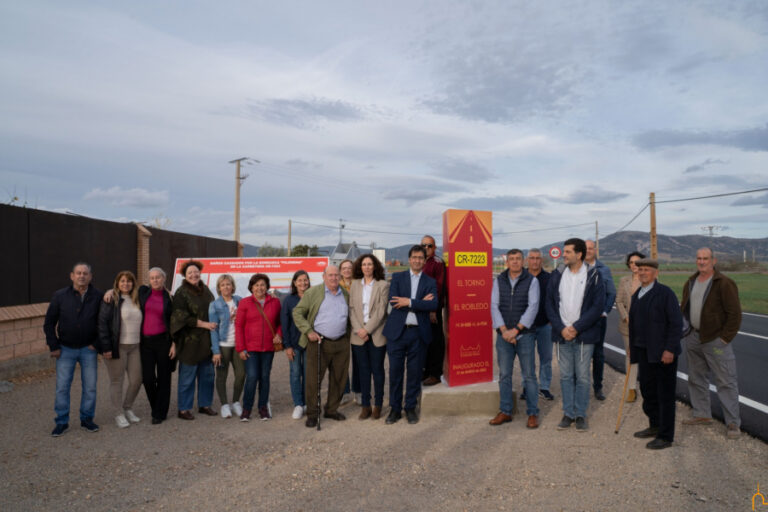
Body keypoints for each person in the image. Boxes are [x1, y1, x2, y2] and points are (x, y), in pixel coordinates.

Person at [680, 247, 743, 439]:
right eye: (698, 258)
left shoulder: (724, 283)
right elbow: (685, 307)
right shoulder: (691, 281)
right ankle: (701, 414)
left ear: (713, 260)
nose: (701, 262)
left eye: (705, 258)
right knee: (696, 378)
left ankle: (732, 423)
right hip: (694, 337)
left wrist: (725, 338)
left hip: (715, 339)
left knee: (725, 381)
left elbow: (735, 314)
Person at [545, 238, 605, 432]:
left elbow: (597, 307)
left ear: (579, 254)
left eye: (568, 252)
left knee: (583, 377)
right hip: (561, 334)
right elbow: (550, 305)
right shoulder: (557, 275)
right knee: (565, 376)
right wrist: (562, 328)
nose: (564, 255)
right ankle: (568, 413)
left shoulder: (594, 276)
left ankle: (580, 414)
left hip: (583, 335)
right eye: (564, 252)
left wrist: (576, 327)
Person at [629, 259, 683, 450]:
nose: (643, 272)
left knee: (665, 395)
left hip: (663, 353)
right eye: (640, 269)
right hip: (644, 351)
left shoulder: (665, 293)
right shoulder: (637, 294)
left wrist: (669, 349)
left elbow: (676, 324)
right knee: (648, 390)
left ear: (655, 273)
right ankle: (654, 425)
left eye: (647, 270)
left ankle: (666, 435)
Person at [44, 262, 102, 436]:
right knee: (62, 387)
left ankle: (87, 419)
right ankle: (62, 422)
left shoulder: (98, 296)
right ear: (72, 276)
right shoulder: (60, 296)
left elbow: (104, 323)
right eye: (78, 273)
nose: (82, 276)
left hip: (88, 349)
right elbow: (49, 323)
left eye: (85, 273)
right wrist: (53, 345)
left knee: (90, 387)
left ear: (90, 276)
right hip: (65, 349)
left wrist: (96, 344)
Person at [382, 245, 438, 425]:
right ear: (409, 259)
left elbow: (432, 305)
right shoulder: (398, 278)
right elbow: (394, 301)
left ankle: (410, 408)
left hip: (418, 334)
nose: (417, 260)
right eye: (414, 257)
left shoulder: (430, 282)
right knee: (395, 373)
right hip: (397, 333)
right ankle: (395, 409)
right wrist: (419, 303)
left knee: (414, 374)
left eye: (420, 258)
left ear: (424, 260)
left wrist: (409, 301)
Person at [292, 265, 351, 428]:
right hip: (318, 342)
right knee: (313, 379)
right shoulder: (313, 293)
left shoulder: (344, 294)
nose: (333, 278)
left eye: (336, 275)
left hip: (341, 342)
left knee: (339, 378)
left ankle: (331, 410)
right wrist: (308, 331)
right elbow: (297, 313)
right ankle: (312, 413)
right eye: (330, 275)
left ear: (340, 277)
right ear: (323, 276)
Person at [489, 249, 541, 429]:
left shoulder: (532, 281)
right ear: (507, 262)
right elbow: (494, 306)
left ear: (523, 261)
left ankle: (533, 413)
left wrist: (516, 330)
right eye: (512, 259)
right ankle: (505, 411)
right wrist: (504, 331)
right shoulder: (499, 281)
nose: (515, 262)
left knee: (529, 376)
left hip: (525, 335)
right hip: (504, 336)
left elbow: (533, 307)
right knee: (504, 375)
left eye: (518, 259)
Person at [171, 260, 217, 421]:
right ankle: (184, 408)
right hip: (189, 341)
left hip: (207, 340)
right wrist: (204, 324)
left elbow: (214, 308)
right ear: (185, 275)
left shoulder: (206, 290)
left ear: (200, 273)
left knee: (207, 375)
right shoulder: (181, 292)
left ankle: (205, 405)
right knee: (187, 377)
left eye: (196, 271)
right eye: (190, 272)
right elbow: (180, 316)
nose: (193, 274)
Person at [97, 271, 144, 429]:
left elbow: (155, 288)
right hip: (117, 347)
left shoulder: (137, 299)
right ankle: (118, 414)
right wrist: (106, 347)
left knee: (137, 380)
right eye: (122, 281)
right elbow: (102, 324)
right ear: (117, 283)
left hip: (135, 346)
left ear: (133, 283)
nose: (126, 284)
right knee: (117, 381)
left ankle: (127, 407)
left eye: (129, 281)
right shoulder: (111, 299)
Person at [236, 273, 282, 421]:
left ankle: (263, 408)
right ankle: (246, 409)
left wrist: (279, 334)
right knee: (252, 377)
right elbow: (239, 326)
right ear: (251, 287)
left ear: (267, 286)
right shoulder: (245, 303)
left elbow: (281, 322)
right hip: (251, 348)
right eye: (256, 285)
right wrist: (240, 348)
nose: (259, 288)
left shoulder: (275, 302)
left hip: (268, 347)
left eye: (262, 284)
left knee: (265, 378)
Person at [349, 254, 390, 420]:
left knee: (378, 371)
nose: (367, 267)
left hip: (376, 334)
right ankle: (365, 405)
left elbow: (381, 312)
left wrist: (367, 330)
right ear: (360, 267)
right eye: (364, 264)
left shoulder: (383, 285)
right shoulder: (354, 286)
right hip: (358, 335)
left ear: (375, 267)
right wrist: (360, 330)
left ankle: (378, 405)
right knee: (363, 372)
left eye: (370, 264)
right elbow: (351, 310)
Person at [138, 267, 175, 425]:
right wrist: (110, 291)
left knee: (164, 378)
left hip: (164, 342)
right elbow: (123, 287)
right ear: (149, 279)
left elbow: (175, 323)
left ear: (164, 278)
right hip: (145, 342)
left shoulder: (170, 298)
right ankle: (156, 406)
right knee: (147, 378)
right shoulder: (142, 292)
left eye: (158, 277)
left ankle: (160, 413)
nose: (155, 280)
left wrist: (174, 344)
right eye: (152, 278)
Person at [208, 274, 244, 419]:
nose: (226, 287)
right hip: (223, 345)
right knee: (222, 376)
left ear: (232, 286)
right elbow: (213, 329)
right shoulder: (214, 305)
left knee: (241, 374)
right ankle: (224, 405)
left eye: (228, 284)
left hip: (239, 345)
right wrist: (215, 351)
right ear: (219, 288)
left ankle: (235, 402)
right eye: (222, 285)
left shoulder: (240, 301)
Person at [584, 239, 616, 401]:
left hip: (597, 320)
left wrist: (605, 311)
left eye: (591, 248)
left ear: (595, 250)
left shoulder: (604, 269)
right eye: (586, 248)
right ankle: (579, 387)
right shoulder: (575, 268)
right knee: (580, 354)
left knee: (598, 354)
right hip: (580, 320)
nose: (588, 250)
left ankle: (598, 387)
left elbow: (611, 293)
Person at [615, 251, 645, 403]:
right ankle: (631, 388)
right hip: (627, 326)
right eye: (632, 262)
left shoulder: (649, 280)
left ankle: (647, 386)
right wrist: (625, 316)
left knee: (645, 356)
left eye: (637, 262)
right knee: (631, 356)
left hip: (645, 327)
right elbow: (619, 301)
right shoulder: (624, 280)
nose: (634, 265)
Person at [281, 270, 311, 420]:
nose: (303, 283)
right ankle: (298, 404)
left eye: (305, 280)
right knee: (295, 374)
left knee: (307, 374)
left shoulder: (313, 297)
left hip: (309, 342)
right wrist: (287, 346)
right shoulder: (288, 300)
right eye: (299, 280)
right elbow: (284, 324)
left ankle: (306, 403)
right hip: (293, 343)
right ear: (294, 283)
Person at [526, 248, 554, 401]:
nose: (535, 261)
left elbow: (555, 299)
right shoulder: (522, 277)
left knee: (546, 358)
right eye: (532, 258)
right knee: (527, 359)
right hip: (525, 327)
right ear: (527, 260)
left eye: (537, 258)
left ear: (541, 260)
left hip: (545, 325)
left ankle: (544, 387)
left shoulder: (549, 278)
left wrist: (552, 320)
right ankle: (528, 387)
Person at [421, 235, 446, 387]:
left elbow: (439, 287)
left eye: (429, 245)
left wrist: (433, 310)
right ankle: (426, 371)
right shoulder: (420, 262)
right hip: (420, 308)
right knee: (425, 341)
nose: (426, 248)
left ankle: (436, 373)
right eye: (423, 245)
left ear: (434, 247)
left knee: (436, 341)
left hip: (432, 310)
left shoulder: (437, 263)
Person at [338, 258, 359, 404]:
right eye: (344, 268)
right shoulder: (335, 286)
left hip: (357, 327)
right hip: (342, 328)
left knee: (358, 361)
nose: (347, 270)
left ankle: (358, 391)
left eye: (349, 268)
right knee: (342, 361)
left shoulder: (359, 284)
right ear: (340, 271)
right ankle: (344, 391)